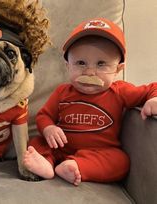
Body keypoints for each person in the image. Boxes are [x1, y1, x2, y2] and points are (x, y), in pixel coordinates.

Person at [23, 18, 157, 186]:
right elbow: (44, 116)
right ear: (68, 65)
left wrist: (154, 99)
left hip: (99, 151)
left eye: (101, 64)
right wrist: (49, 128)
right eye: (80, 63)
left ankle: (76, 166)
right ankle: (46, 164)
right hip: (61, 147)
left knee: (120, 161)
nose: (90, 72)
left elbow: (152, 87)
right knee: (37, 142)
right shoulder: (62, 92)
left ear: (117, 69)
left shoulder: (120, 91)